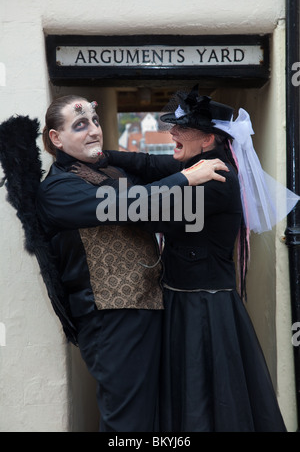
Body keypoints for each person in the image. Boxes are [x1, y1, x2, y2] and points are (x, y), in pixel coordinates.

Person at [35, 94, 229, 432]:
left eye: (94, 122)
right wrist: (187, 179)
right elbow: (126, 205)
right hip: (111, 320)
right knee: (128, 422)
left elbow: (153, 169)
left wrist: (205, 156)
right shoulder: (58, 189)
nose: (93, 130)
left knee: (158, 414)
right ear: (55, 138)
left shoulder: (110, 168)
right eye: (80, 125)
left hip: (150, 305)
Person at [106, 85, 293, 432]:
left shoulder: (217, 179)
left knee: (206, 396)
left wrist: (105, 193)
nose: (172, 132)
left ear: (208, 140)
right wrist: (102, 159)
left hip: (205, 309)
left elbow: (148, 216)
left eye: (183, 128)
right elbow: (147, 163)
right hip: (183, 300)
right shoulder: (197, 165)